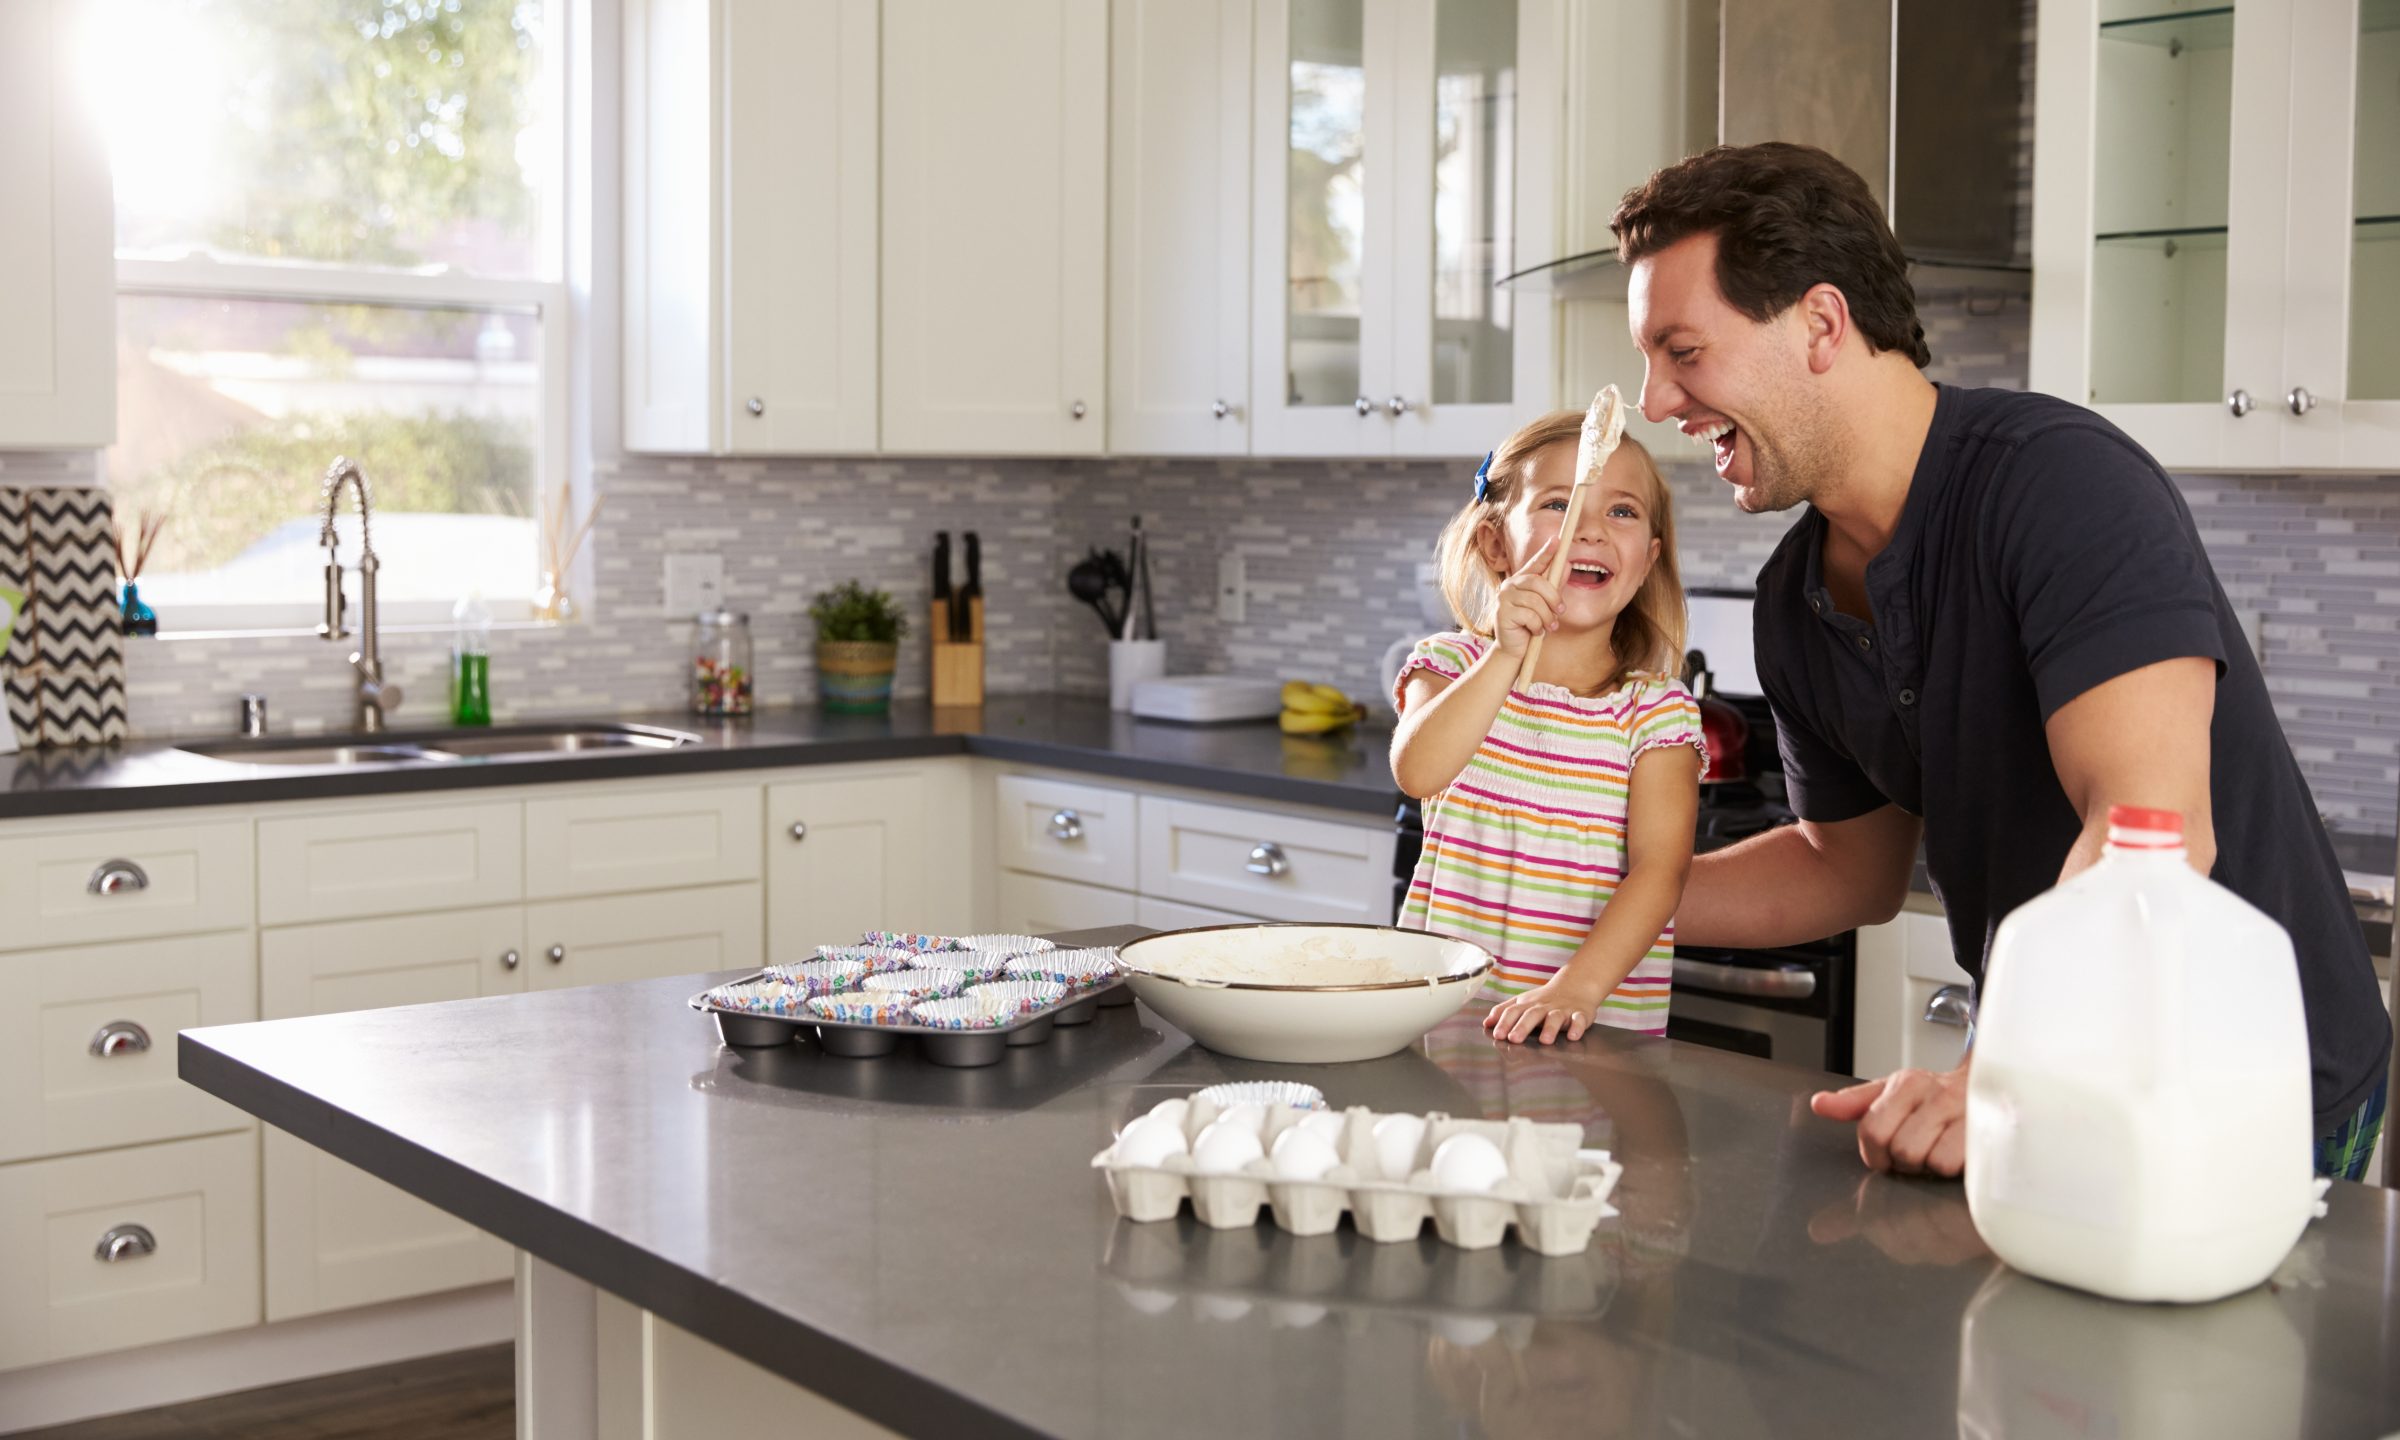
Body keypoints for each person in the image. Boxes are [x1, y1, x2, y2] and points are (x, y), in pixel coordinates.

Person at [1611, 141, 2391, 1179]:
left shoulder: (2059, 487)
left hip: (2249, 1092)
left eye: (1683, 352)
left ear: (1821, 324)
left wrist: (2002, 1070)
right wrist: (1585, 882)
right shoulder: (1793, 599)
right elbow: (1844, 867)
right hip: (2047, 1086)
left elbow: (2151, 835)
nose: (1657, 401)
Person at [1390, 410, 1706, 1045]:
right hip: (1445, 1023)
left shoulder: (1656, 713)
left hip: (1585, 1031)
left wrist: (1578, 986)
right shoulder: (1450, 666)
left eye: (1621, 512)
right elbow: (1417, 771)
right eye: (1559, 504)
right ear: (1495, 545)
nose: (1589, 530)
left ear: (1647, 561)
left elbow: (1660, 871)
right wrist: (1506, 656)